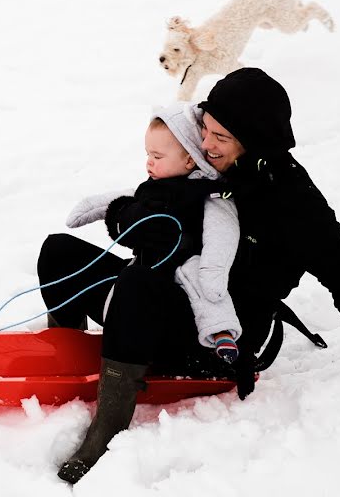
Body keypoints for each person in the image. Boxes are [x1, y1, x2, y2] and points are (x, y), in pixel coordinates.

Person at [38, 68, 340, 484]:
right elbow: (157, 210)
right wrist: (128, 215)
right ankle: (65, 350)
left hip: (219, 336)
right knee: (59, 252)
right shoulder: (213, 167)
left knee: (137, 284)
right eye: (206, 130)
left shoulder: (295, 205)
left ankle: (106, 429)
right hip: (171, 292)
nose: (204, 144)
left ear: (252, 142)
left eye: (220, 138)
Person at [59, 103, 242, 362]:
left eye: (157, 156)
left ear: (189, 158)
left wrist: (214, 271)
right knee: (61, 250)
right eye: (148, 154)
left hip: (186, 269)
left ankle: (221, 335)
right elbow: (118, 198)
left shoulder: (209, 195)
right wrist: (93, 209)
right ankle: (65, 347)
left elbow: (222, 236)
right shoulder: (152, 188)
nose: (149, 163)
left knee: (205, 287)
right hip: (147, 276)